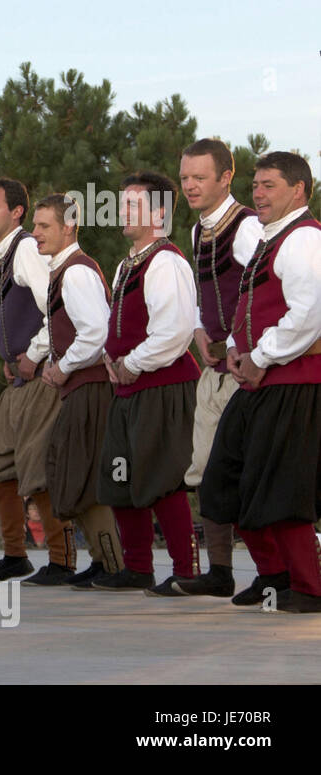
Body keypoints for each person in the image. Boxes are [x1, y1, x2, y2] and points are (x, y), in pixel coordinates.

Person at [202, 151, 321, 613]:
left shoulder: (304, 239)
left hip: (295, 381)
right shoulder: (269, 241)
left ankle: (309, 588)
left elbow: (308, 315)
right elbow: (247, 309)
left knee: (282, 489)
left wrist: (261, 356)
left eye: (269, 185)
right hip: (258, 381)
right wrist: (235, 348)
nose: (257, 193)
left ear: (299, 190)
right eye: (255, 185)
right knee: (225, 482)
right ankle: (273, 577)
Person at [93, 171, 201, 594]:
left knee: (162, 476)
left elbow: (175, 331)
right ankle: (137, 567)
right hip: (127, 387)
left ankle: (186, 571)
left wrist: (133, 363)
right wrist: (109, 357)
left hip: (162, 386)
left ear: (159, 212)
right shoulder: (127, 264)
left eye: (133, 205)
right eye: (122, 204)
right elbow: (117, 325)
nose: (123, 211)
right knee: (120, 476)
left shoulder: (167, 262)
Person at [170, 139, 262, 597]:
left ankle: (273, 573)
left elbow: (263, 292)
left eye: (199, 177)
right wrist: (203, 336)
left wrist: (243, 346)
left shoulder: (247, 227)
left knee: (247, 471)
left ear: (226, 177)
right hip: (214, 370)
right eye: (185, 177)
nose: (190, 185)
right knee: (205, 471)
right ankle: (220, 572)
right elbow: (208, 300)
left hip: (247, 370)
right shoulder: (196, 231)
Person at [0, 178, 75, 584]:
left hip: (41, 379)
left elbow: (55, 307)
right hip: (17, 380)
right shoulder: (6, 254)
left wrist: (33, 355)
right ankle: (15, 555)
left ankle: (62, 560)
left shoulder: (27, 250)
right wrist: (10, 357)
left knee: (37, 468)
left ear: (17, 212)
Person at [35, 194, 124, 587]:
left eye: (44, 226)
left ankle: (115, 563)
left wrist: (62, 367)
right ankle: (103, 560)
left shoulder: (76, 272)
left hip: (91, 388)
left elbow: (98, 333)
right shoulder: (63, 271)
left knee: (87, 474)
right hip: (79, 389)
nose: (35, 234)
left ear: (68, 227)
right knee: (76, 473)